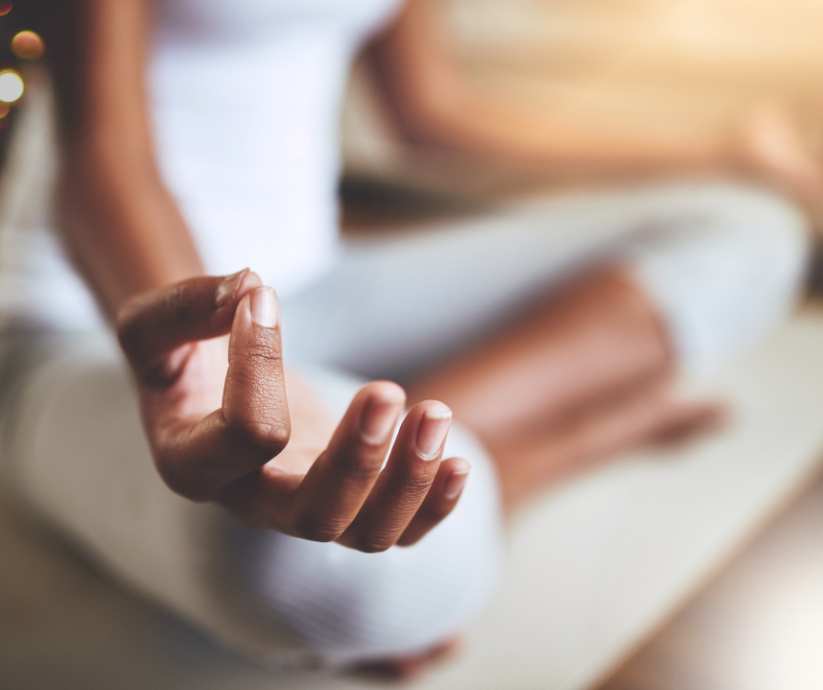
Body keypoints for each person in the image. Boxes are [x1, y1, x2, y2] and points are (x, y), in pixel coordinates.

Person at [0, 0, 812, 679]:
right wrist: (206, 371)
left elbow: (431, 113)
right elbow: (106, 155)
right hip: (89, 321)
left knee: (747, 232)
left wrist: (716, 153)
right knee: (320, 582)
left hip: (321, 284)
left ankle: (444, 455)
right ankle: (531, 450)